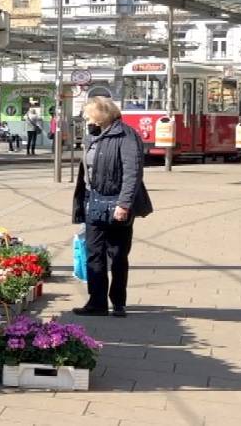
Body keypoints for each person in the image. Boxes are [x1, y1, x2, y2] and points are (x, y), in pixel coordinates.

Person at [71, 98, 153, 318]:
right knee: (93, 253)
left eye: (89, 115)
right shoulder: (95, 135)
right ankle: (96, 302)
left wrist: (124, 204)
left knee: (117, 253)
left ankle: (118, 302)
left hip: (117, 202)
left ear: (102, 114)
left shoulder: (126, 136)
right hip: (93, 201)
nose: (87, 119)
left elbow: (132, 173)